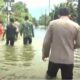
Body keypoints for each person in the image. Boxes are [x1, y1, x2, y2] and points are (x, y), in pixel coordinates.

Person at [42, 7, 80, 80]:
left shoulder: (52, 24)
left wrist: (45, 54)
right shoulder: (76, 26)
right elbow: (79, 43)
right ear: (69, 15)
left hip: (54, 59)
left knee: (50, 78)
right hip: (68, 60)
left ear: (59, 15)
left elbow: (46, 42)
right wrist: (72, 47)